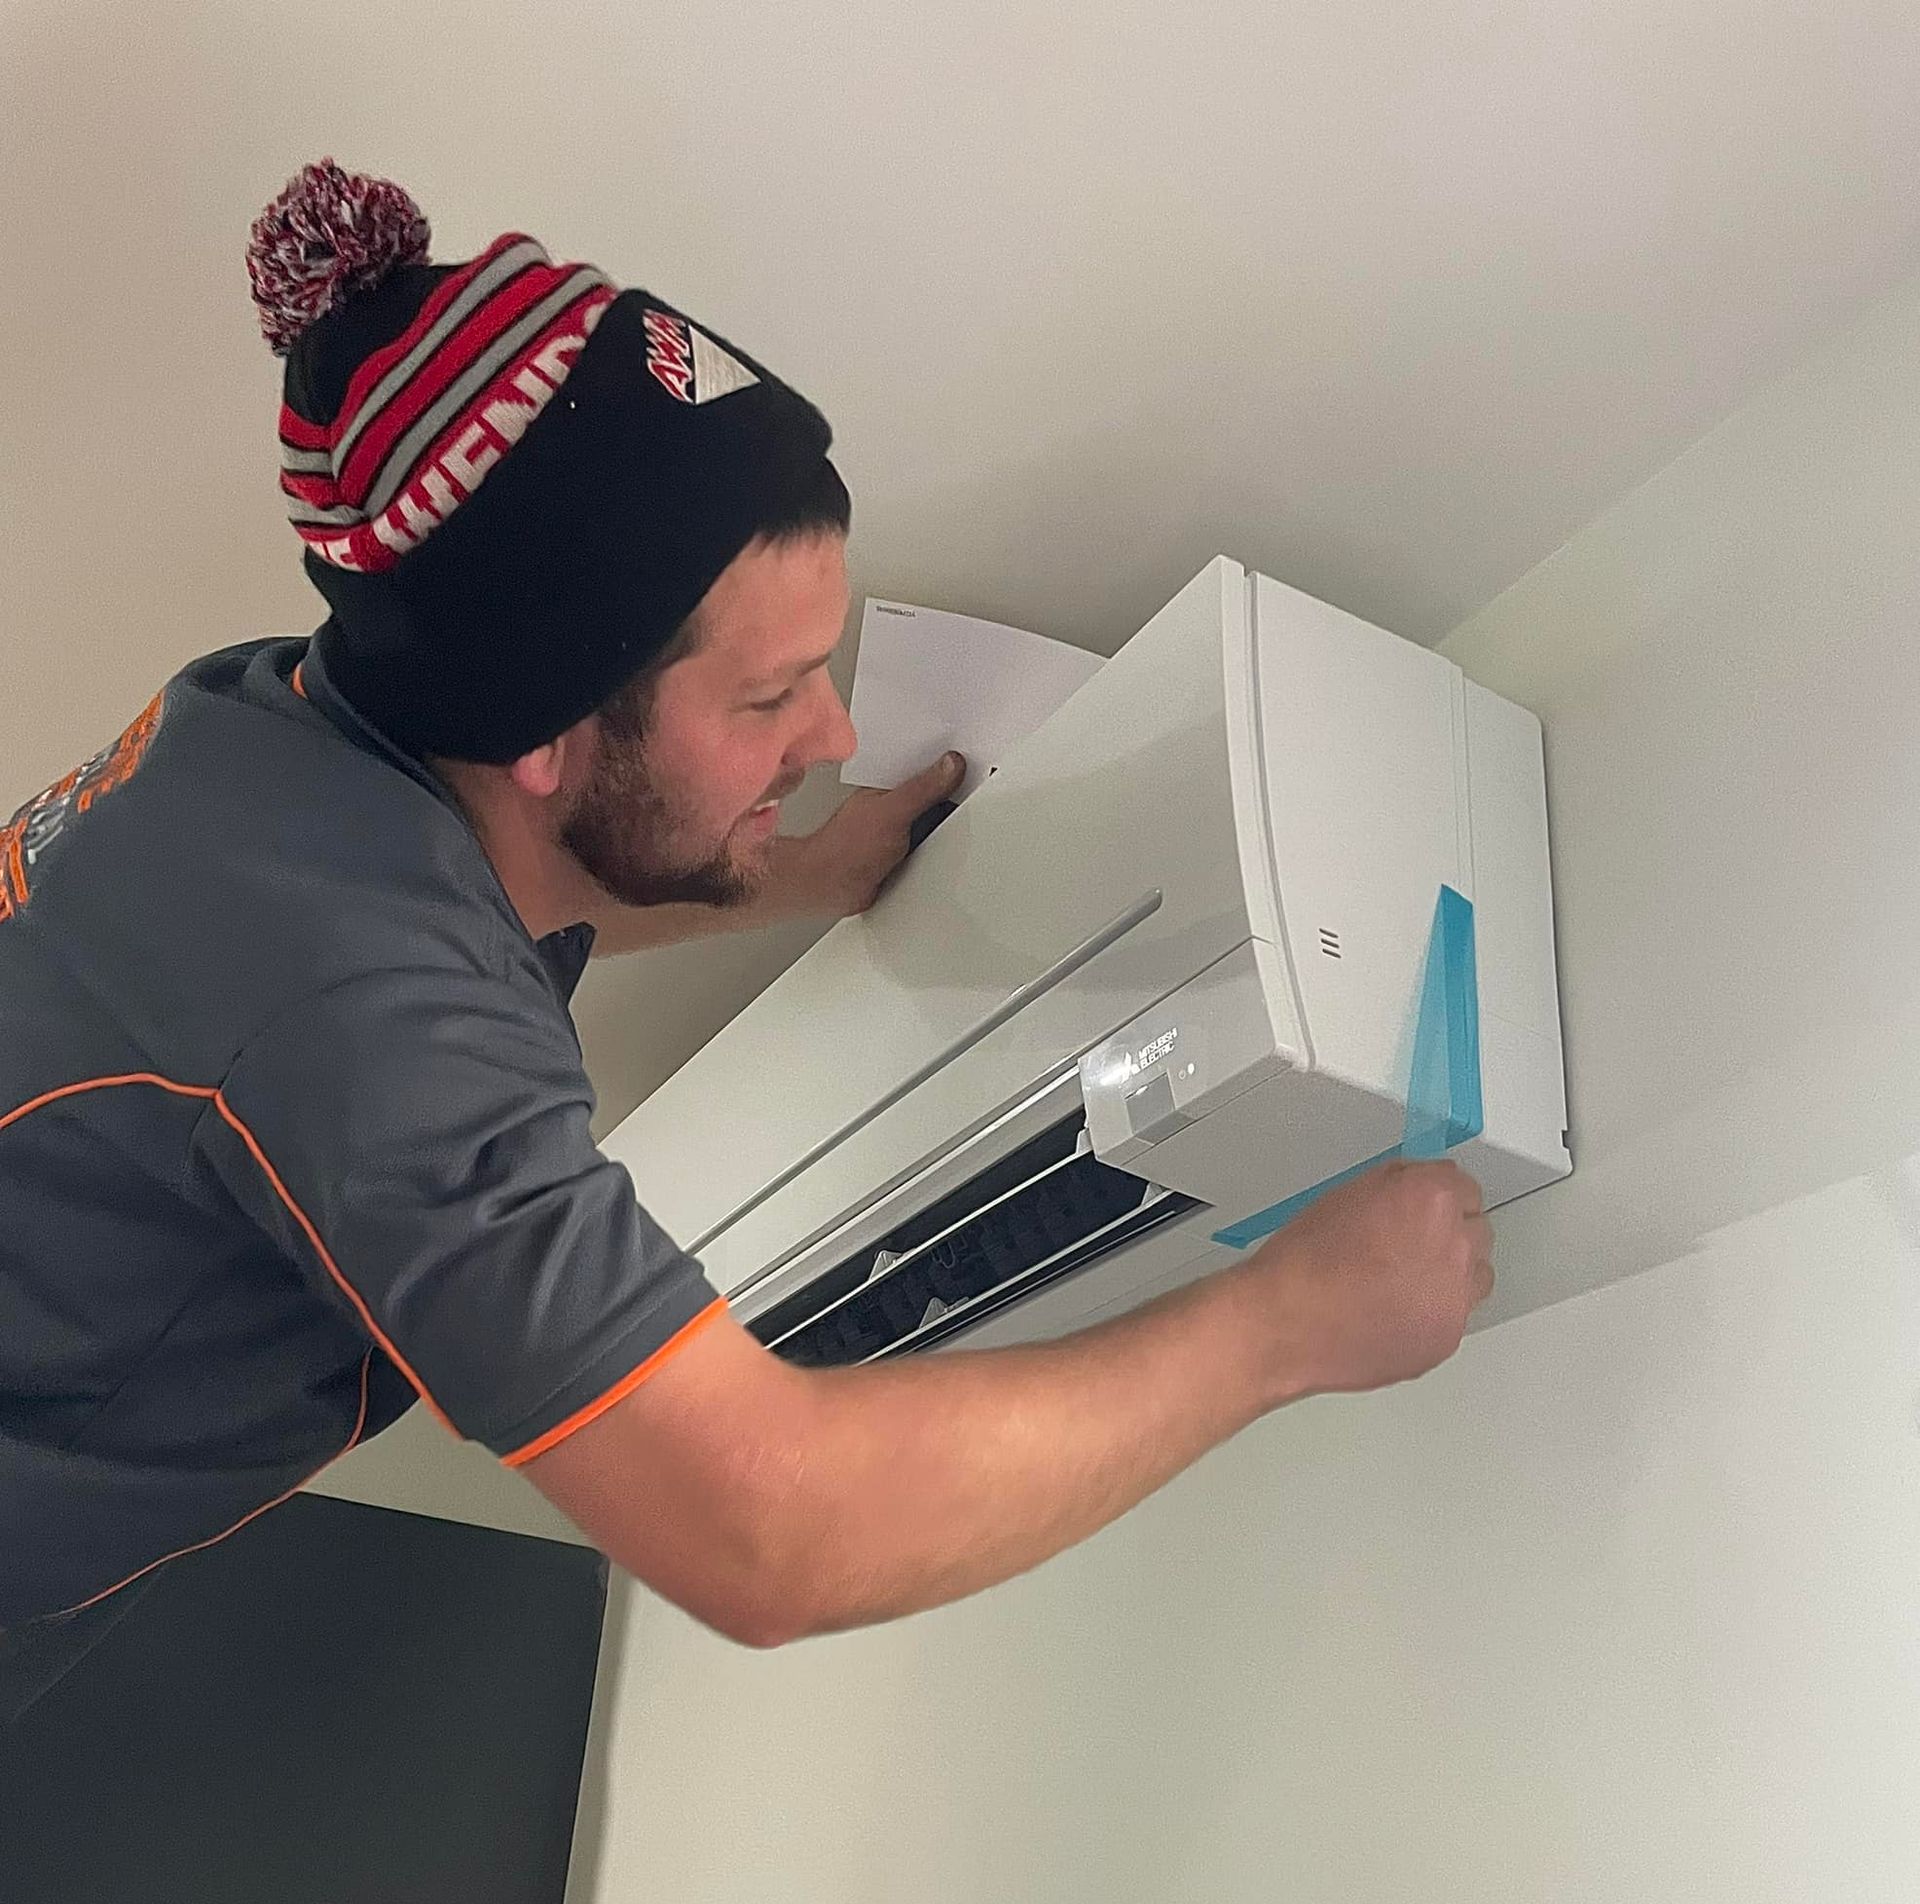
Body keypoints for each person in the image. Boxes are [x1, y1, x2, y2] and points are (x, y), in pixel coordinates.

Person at [0, 161, 1490, 1716]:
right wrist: (1292, 1323)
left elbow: (488, 900)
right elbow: (766, 1529)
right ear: (544, 729)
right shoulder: (365, 1023)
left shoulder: (290, 725)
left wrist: (802, 872)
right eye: (773, 697)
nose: (833, 728)